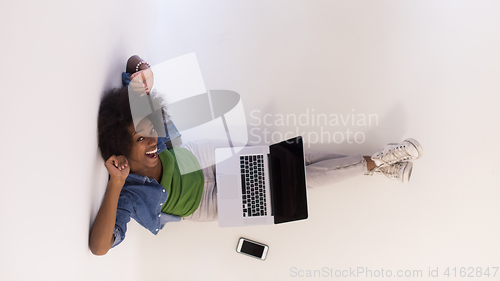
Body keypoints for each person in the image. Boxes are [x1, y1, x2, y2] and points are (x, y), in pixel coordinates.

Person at [89, 56, 424, 256]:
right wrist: (116, 183)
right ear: (120, 148)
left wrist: (142, 71)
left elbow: (133, 65)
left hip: (206, 160)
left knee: (298, 158)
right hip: (208, 202)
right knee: (299, 183)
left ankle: (377, 165)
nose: (152, 140)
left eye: (150, 129)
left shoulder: (150, 134)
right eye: (140, 138)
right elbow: (99, 247)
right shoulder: (129, 194)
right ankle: (379, 161)